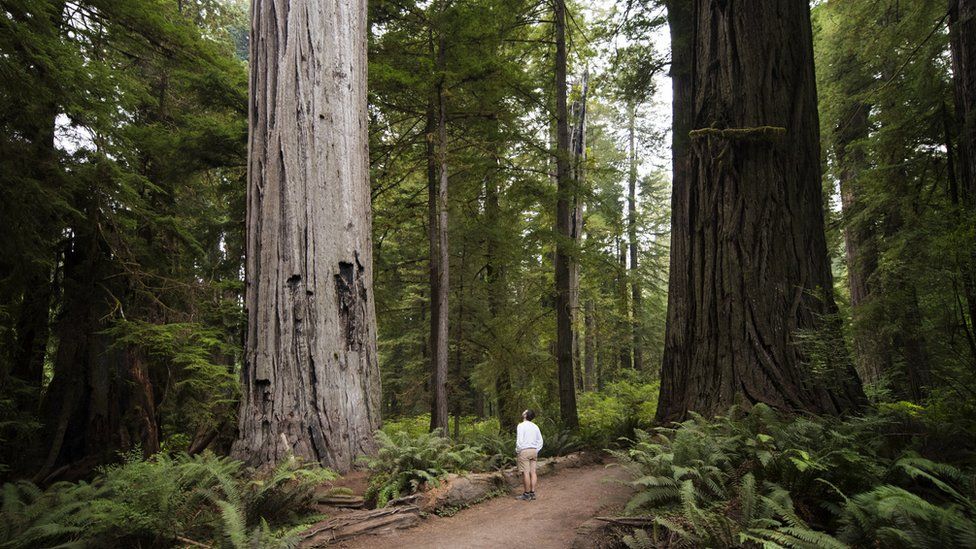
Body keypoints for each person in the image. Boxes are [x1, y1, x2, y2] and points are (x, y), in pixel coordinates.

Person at [515, 409, 543, 501]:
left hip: (524, 451)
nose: (523, 411)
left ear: (525, 415)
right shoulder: (535, 426)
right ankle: (532, 493)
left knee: (526, 473)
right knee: (533, 472)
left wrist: (518, 451)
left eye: (524, 411)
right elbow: (540, 441)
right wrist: (536, 450)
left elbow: (519, 441)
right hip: (534, 451)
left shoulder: (521, 426)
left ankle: (526, 494)